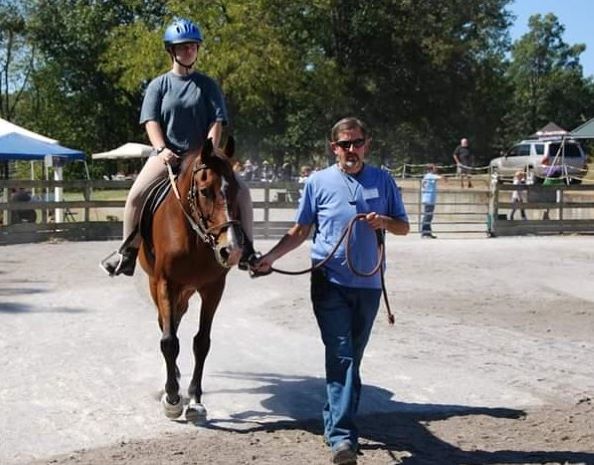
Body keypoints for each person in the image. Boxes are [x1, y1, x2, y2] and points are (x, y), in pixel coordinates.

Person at [253, 117, 409, 464]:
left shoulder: (383, 180)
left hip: (368, 285)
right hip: (329, 283)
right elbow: (300, 230)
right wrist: (269, 258)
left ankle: (333, 420)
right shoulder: (318, 182)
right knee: (342, 355)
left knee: (352, 357)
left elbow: (404, 226)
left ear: (366, 144)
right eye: (343, 144)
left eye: (356, 143)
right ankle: (343, 439)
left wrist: (383, 222)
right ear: (333, 147)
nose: (350, 150)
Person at [100, 18, 256, 277]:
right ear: (171, 50)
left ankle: (248, 250)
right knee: (135, 196)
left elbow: (217, 121)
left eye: (193, 46)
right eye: (183, 47)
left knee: (243, 192)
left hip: (203, 156)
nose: (189, 51)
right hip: (167, 154)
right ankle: (126, 253)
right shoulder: (158, 85)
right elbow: (151, 122)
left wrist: (209, 150)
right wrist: (161, 149)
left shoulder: (208, 85)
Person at [420, 163, 445, 238]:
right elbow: (440, 178)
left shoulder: (428, 176)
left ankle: (428, 232)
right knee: (427, 216)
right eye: (434, 168)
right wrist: (444, 177)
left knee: (429, 216)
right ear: (430, 169)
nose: (436, 169)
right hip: (429, 198)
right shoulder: (430, 175)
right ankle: (425, 232)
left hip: (429, 198)